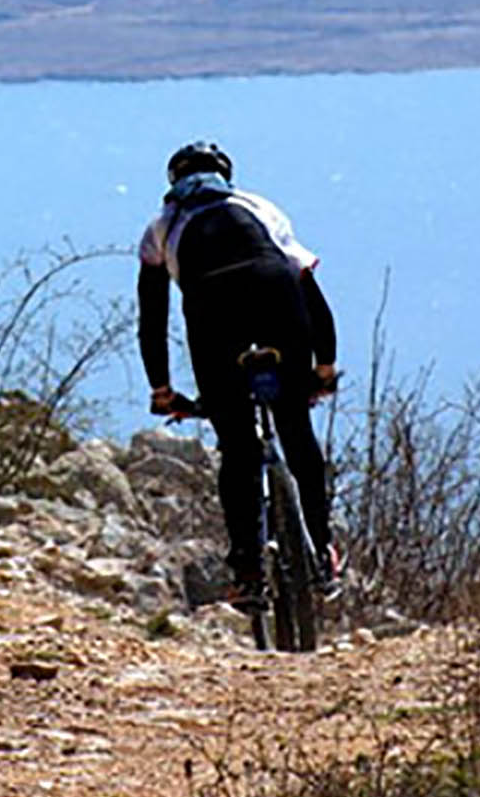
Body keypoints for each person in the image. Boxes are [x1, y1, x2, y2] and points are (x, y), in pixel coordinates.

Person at [136, 141, 341, 610]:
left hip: (213, 315)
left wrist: (163, 391)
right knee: (295, 429)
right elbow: (309, 288)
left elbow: (152, 319)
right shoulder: (261, 208)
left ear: (174, 183)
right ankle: (323, 551)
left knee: (239, 448)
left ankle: (248, 570)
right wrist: (324, 367)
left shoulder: (161, 229)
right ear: (226, 175)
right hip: (277, 297)